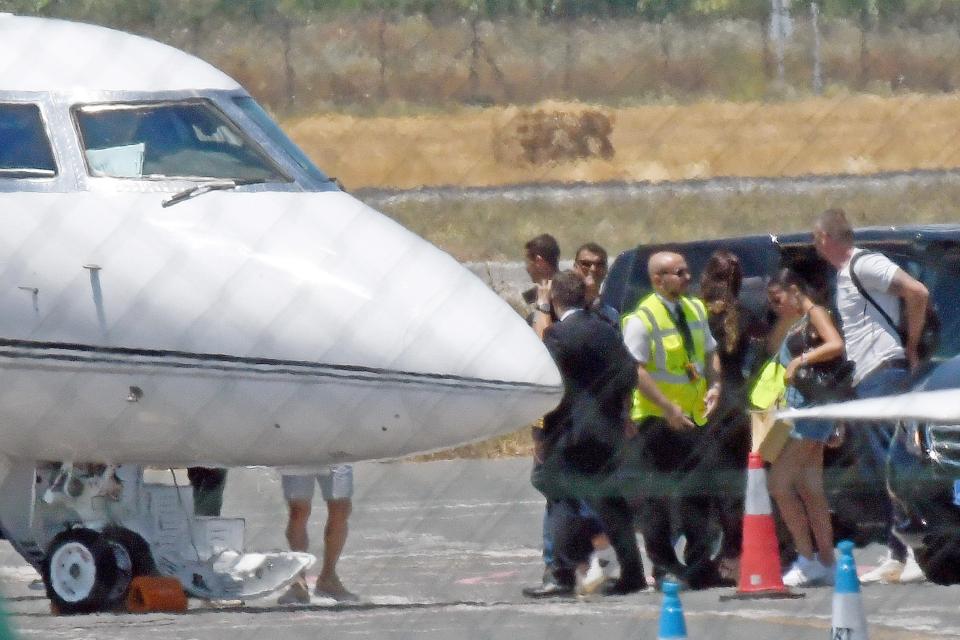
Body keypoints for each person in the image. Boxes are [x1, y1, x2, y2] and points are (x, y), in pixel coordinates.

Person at [813, 208, 930, 584]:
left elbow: (917, 292)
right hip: (866, 378)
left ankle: (918, 548)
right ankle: (897, 550)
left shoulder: (865, 264)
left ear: (826, 238)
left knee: (895, 463)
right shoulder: (844, 274)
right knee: (879, 467)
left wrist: (910, 346)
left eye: (817, 238)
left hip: (884, 372)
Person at [530, 270, 647, 596]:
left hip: (569, 433)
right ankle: (633, 572)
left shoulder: (559, 335)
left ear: (557, 299)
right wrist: (622, 412)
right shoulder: (606, 331)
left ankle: (564, 574)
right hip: (606, 431)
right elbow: (629, 375)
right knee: (610, 502)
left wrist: (540, 310)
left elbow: (539, 362)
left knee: (562, 497)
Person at [621, 251, 723, 591]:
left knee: (699, 493)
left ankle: (699, 563)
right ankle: (664, 565)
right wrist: (666, 407)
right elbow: (635, 371)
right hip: (657, 421)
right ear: (657, 279)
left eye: (687, 271)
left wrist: (716, 384)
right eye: (678, 273)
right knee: (658, 498)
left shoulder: (694, 308)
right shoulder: (642, 319)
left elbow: (710, 352)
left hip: (693, 418)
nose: (687, 277)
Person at [765, 269, 845, 587]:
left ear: (795, 290)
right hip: (804, 410)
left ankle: (806, 556)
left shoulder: (816, 313)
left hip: (811, 413)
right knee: (811, 491)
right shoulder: (795, 323)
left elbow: (835, 345)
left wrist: (801, 360)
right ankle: (825, 561)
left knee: (779, 484)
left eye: (778, 298)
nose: (776, 306)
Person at [698, 250, 767, 583]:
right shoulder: (745, 313)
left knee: (711, 483)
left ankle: (718, 552)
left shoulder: (697, 315)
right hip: (738, 400)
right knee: (734, 482)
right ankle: (733, 551)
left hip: (706, 399)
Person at [276, 465, 358, 604]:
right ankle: (298, 580)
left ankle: (328, 578)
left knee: (341, 507)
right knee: (298, 510)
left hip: (336, 450)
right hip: (299, 451)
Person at [573, 242, 619, 327]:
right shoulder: (561, 302)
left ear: (606, 269)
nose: (593, 269)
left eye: (600, 264)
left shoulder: (612, 314)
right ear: (575, 267)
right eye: (586, 264)